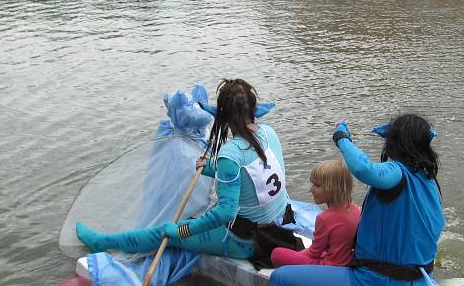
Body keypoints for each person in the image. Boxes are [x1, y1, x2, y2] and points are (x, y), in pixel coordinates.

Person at [76, 78, 301, 262]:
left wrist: (181, 231)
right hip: (280, 225)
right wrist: (213, 169)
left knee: (163, 230)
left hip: (248, 241)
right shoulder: (269, 133)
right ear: (253, 109)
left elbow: (225, 213)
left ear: (222, 116)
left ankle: (103, 242)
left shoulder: (230, 155)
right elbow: (252, 172)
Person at [267, 114, 445, 286]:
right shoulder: (429, 180)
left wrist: (342, 138)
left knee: (280, 280)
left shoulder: (397, 173)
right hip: (418, 283)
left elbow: (363, 169)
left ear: (394, 143)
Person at [270, 160, 361, 267]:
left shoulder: (324, 218)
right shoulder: (355, 209)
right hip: (347, 260)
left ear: (333, 189)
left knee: (277, 254)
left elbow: (314, 253)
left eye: (317, 186)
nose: (311, 189)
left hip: (330, 266)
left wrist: (296, 256)